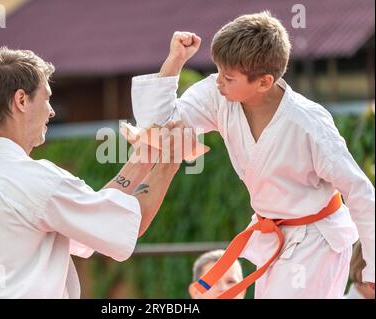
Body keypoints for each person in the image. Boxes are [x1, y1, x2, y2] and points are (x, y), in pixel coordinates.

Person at [131, 11, 375, 298]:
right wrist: (174, 62)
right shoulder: (218, 95)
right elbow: (157, 128)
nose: (219, 81)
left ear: (263, 82)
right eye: (219, 71)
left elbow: (359, 190)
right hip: (273, 239)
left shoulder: (309, 124)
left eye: (229, 77)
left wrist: (372, 267)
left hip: (316, 243)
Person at [0, 47, 184, 298]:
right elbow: (128, 223)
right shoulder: (32, 180)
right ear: (21, 100)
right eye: (47, 98)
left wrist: (143, 158)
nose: (52, 111)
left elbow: (95, 218)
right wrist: (172, 157)